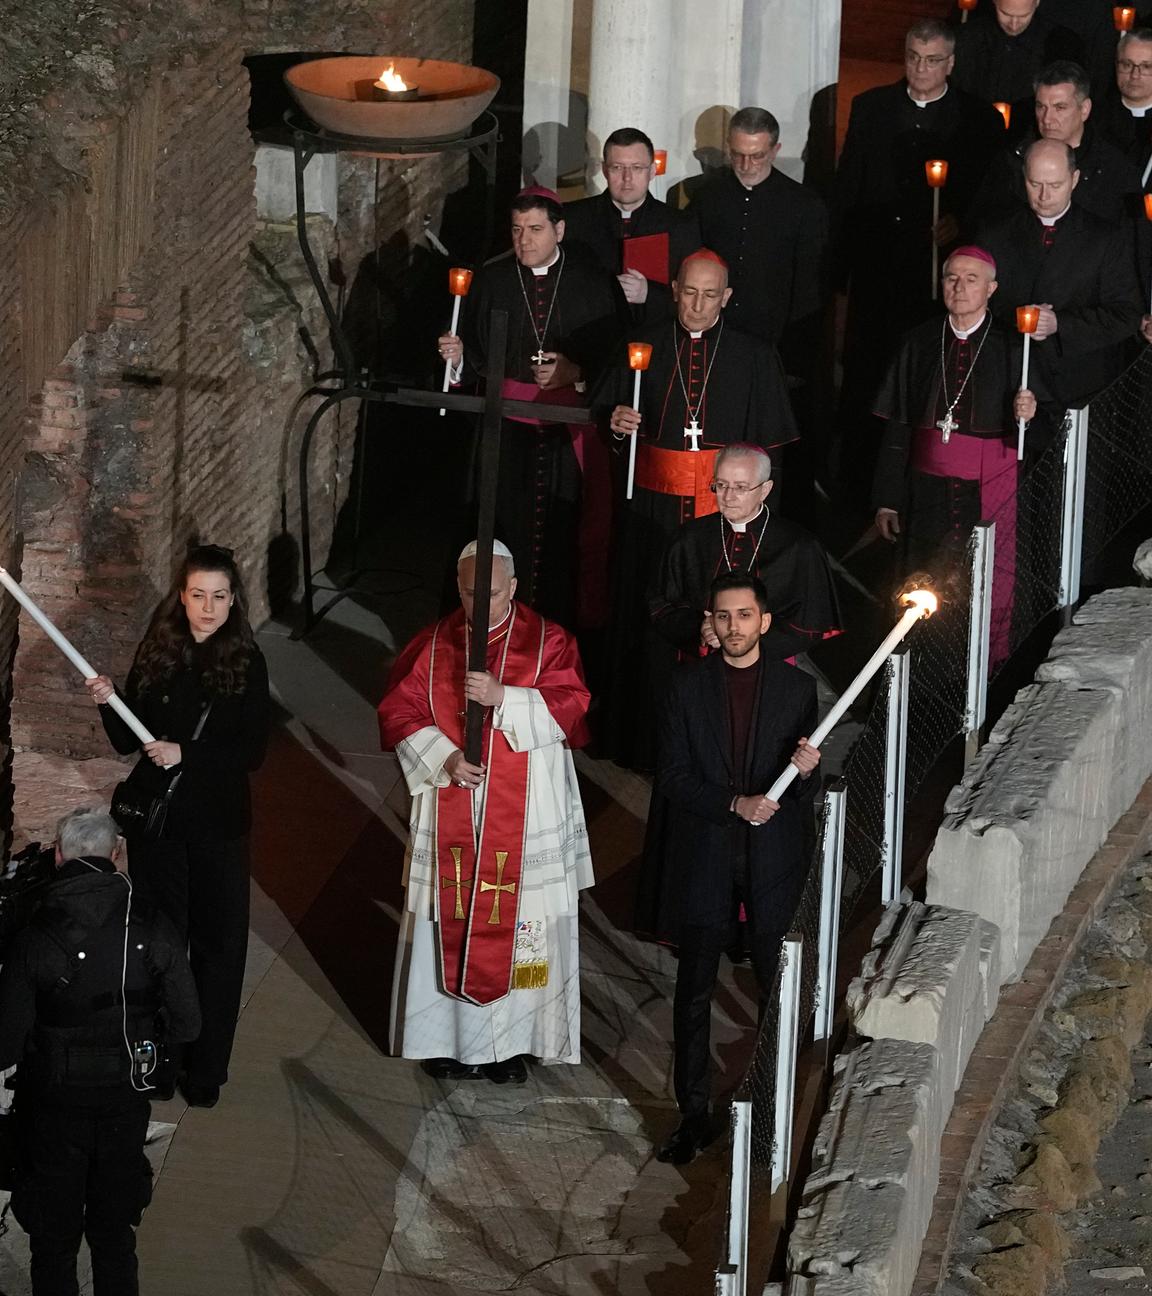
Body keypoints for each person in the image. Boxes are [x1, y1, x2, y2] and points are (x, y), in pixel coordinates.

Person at [378, 540, 594, 1086]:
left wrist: (506, 697)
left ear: (513, 588)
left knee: (525, 924)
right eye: (470, 593)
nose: (480, 604)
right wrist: (444, 757)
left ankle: (515, 1045)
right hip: (454, 801)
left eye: (492, 593)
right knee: (445, 918)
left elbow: (571, 707)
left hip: (527, 811)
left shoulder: (548, 642)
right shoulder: (433, 645)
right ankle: (445, 1041)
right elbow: (400, 712)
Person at [84, 544, 270, 1110]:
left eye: (219, 596)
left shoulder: (247, 661)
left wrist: (185, 752)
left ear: (233, 600)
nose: (208, 608)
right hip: (159, 829)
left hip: (217, 827)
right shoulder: (160, 650)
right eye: (198, 595)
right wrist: (109, 701)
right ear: (182, 597)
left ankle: (206, 1070)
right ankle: (161, 1063)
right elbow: (128, 741)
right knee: (160, 945)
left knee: (218, 949)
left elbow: (251, 751)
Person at [645, 572, 821, 1164]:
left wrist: (807, 770)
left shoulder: (797, 690)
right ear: (711, 623)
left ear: (764, 622)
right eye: (723, 616)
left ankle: (771, 1110)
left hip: (773, 862)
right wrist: (734, 804)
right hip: (706, 857)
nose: (734, 626)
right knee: (693, 991)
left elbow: (802, 791)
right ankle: (694, 1117)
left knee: (775, 987)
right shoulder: (685, 686)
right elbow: (672, 776)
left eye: (744, 615)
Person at [599, 249, 797, 769]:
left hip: (723, 515)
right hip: (654, 513)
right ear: (673, 289)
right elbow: (608, 416)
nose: (698, 305)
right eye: (689, 292)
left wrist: (758, 519)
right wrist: (615, 424)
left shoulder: (754, 355)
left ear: (726, 297)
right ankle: (645, 743)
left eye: (710, 295)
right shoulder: (642, 343)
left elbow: (771, 450)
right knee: (653, 622)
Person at [0, 807, 200, 1296]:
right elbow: (189, 1023)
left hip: (53, 1104)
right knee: (114, 1233)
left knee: (53, 1236)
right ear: (117, 854)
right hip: (124, 1100)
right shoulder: (152, 926)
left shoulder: (35, 934)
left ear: (58, 855)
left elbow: (5, 1042)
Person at [438, 188, 622, 631]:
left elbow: (617, 358)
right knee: (501, 527)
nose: (524, 240)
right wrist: (456, 358)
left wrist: (575, 373)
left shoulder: (593, 282)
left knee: (565, 536)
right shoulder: (492, 280)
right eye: (517, 230)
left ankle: (562, 633)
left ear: (559, 230)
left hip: (568, 434)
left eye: (536, 229)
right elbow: (472, 358)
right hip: (506, 430)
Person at [833, 19, 1005, 486]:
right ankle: (858, 486)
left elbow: (990, 196)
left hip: (936, 278)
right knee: (869, 376)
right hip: (878, 270)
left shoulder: (978, 119)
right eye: (913, 58)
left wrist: (959, 225)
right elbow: (849, 187)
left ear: (951, 63)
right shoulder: (871, 106)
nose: (921, 68)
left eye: (932, 60)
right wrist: (840, 269)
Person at [873, 248, 1032, 666]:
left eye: (971, 279)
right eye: (951, 278)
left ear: (991, 288)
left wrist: (1030, 414)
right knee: (922, 577)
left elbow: (1041, 427)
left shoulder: (1013, 345)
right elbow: (898, 424)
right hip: (925, 493)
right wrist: (888, 498)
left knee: (981, 579)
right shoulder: (918, 341)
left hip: (988, 488)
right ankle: (919, 667)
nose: (959, 288)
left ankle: (983, 666)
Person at [650, 441, 842, 707]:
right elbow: (662, 604)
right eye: (721, 485)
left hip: (768, 673)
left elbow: (809, 623)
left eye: (740, 487)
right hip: (698, 672)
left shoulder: (799, 546)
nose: (728, 497)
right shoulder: (689, 538)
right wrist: (699, 629)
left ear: (765, 489)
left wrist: (745, 646)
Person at [977, 139, 1144, 412]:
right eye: (1035, 184)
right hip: (1009, 380)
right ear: (1023, 178)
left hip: (1081, 387)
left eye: (1055, 185)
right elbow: (976, 305)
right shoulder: (994, 234)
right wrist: (1015, 317)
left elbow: (1126, 315)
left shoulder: (1105, 238)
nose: (1044, 196)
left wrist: (1059, 324)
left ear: (1074, 179)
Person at [688, 107, 828, 356]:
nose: (746, 165)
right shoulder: (707, 198)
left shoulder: (804, 205)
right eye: (738, 154)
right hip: (714, 332)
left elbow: (808, 287)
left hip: (775, 338)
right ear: (729, 146)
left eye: (757, 156)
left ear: (775, 150)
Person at [970, 61, 1143, 225]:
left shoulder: (1116, 170)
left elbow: (1130, 234)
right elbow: (983, 223)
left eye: (1059, 107)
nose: (1047, 118)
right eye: (1041, 107)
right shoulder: (1011, 161)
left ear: (1084, 109)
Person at [562, 126, 694, 326]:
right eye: (617, 167)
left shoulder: (679, 225)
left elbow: (693, 294)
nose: (627, 178)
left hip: (655, 334)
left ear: (652, 171)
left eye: (637, 168)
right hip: (587, 334)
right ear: (605, 170)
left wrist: (649, 293)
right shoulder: (573, 218)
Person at [951, 0, 1082, 127]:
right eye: (1005, 14)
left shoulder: (1061, 44)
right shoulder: (966, 38)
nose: (1014, 24)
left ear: (1037, 3)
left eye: (1024, 16)